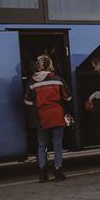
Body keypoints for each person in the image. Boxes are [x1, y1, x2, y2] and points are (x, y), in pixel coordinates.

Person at [24, 54, 71, 183]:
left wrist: (38, 105)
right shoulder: (58, 80)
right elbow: (68, 97)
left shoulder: (32, 83)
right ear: (50, 64)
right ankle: (57, 171)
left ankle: (42, 173)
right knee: (57, 144)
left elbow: (27, 102)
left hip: (41, 116)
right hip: (56, 114)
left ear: (38, 66)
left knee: (41, 144)